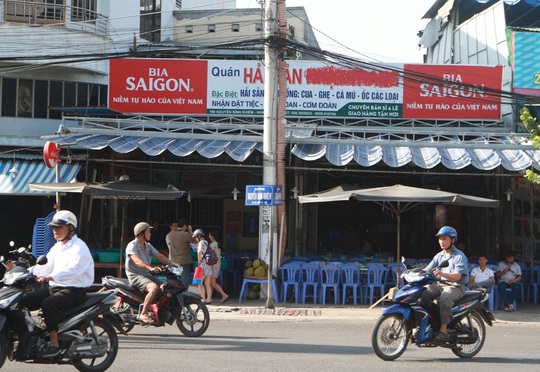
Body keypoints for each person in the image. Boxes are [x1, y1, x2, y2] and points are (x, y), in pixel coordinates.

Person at [22, 210, 94, 357]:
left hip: (74, 290)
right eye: (53, 227)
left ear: (70, 228)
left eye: (58, 227)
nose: (54, 230)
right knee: (23, 301)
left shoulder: (79, 247)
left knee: (48, 304)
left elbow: (74, 270)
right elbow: (44, 266)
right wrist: (23, 272)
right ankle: (31, 333)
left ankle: (54, 344)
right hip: (55, 287)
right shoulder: (57, 247)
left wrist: (50, 277)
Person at [422, 226, 468, 343]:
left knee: (445, 298)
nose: (441, 241)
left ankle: (444, 329)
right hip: (439, 284)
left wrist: (442, 273)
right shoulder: (439, 256)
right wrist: (410, 272)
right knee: (421, 293)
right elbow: (427, 270)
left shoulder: (459, 256)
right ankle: (429, 322)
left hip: (455, 286)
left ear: (452, 240)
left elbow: (458, 276)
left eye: (444, 239)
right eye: (440, 239)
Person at [125, 221, 176, 323]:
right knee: (154, 288)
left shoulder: (148, 246)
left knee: (167, 288)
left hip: (147, 275)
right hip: (136, 276)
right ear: (141, 234)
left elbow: (159, 256)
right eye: (148, 232)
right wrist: (150, 268)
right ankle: (143, 313)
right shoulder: (132, 246)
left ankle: (157, 309)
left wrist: (174, 264)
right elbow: (137, 261)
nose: (150, 234)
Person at [168, 218, 193, 288]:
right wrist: (190, 231)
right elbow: (194, 240)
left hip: (174, 260)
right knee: (184, 279)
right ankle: (183, 294)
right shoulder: (186, 234)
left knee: (176, 280)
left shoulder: (171, 233)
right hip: (184, 261)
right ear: (185, 226)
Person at [193, 228, 214, 304]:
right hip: (209, 265)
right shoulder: (207, 243)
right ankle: (209, 299)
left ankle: (203, 299)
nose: (195, 239)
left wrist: (199, 261)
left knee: (199, 283)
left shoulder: (201, 243)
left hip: (203, 265)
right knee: (208, 283)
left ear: (199, 236)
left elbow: (199, 251)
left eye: (195, 237)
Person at [208, 230, 229, 303]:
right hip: (216, 265)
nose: (209, 237)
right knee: (211, 282)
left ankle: (224, 295)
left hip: (213, 265)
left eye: (210, 235)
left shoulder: (213, 245)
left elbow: (207, 252)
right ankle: (209, 298)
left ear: (212, 236)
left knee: (212, 282)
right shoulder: (217, 244)